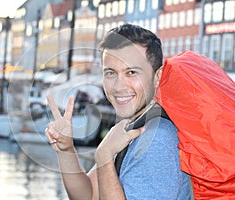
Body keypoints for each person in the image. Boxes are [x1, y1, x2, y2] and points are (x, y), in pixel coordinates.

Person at [45, 24, 192, 199]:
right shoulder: (131, 127)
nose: (118, 86)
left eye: (131, 72)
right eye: (110, 73)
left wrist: (104, 156)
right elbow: (88, 195)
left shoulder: (157, 139)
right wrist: (66, 149)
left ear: (157, 76)